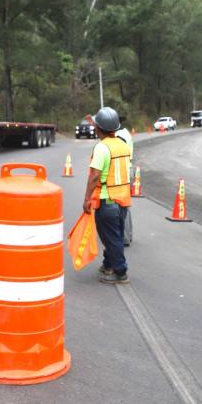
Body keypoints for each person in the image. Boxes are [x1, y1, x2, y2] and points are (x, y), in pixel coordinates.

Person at [83, 107, 132, 284]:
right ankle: (108, 263)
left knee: (111, 238)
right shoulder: (124, 145)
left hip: (107, 200)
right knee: (115, 236)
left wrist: (87, 199)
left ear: (98, 128)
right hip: (122, 200)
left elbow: (95, 176)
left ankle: (120, 272)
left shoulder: (102, 148)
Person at [116, 126, 134, 246]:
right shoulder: (125, 132)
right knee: (125, 206)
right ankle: (128, 235)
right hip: (127, 170)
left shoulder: (119, 136)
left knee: (122, 207)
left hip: (122, 172)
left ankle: (125, 237)